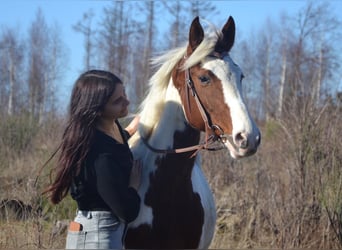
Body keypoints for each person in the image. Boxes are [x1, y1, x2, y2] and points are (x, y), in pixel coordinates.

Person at [44, 69, 142, 249]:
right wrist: (134, 186)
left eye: (124, 94)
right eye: (117, 101)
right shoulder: (98, 154)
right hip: (97, 237)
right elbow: (127, 211)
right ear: (98, 110)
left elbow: (115, 148)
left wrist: (130, 131)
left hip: (99, 232)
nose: (127, 101)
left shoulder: (111, 127)